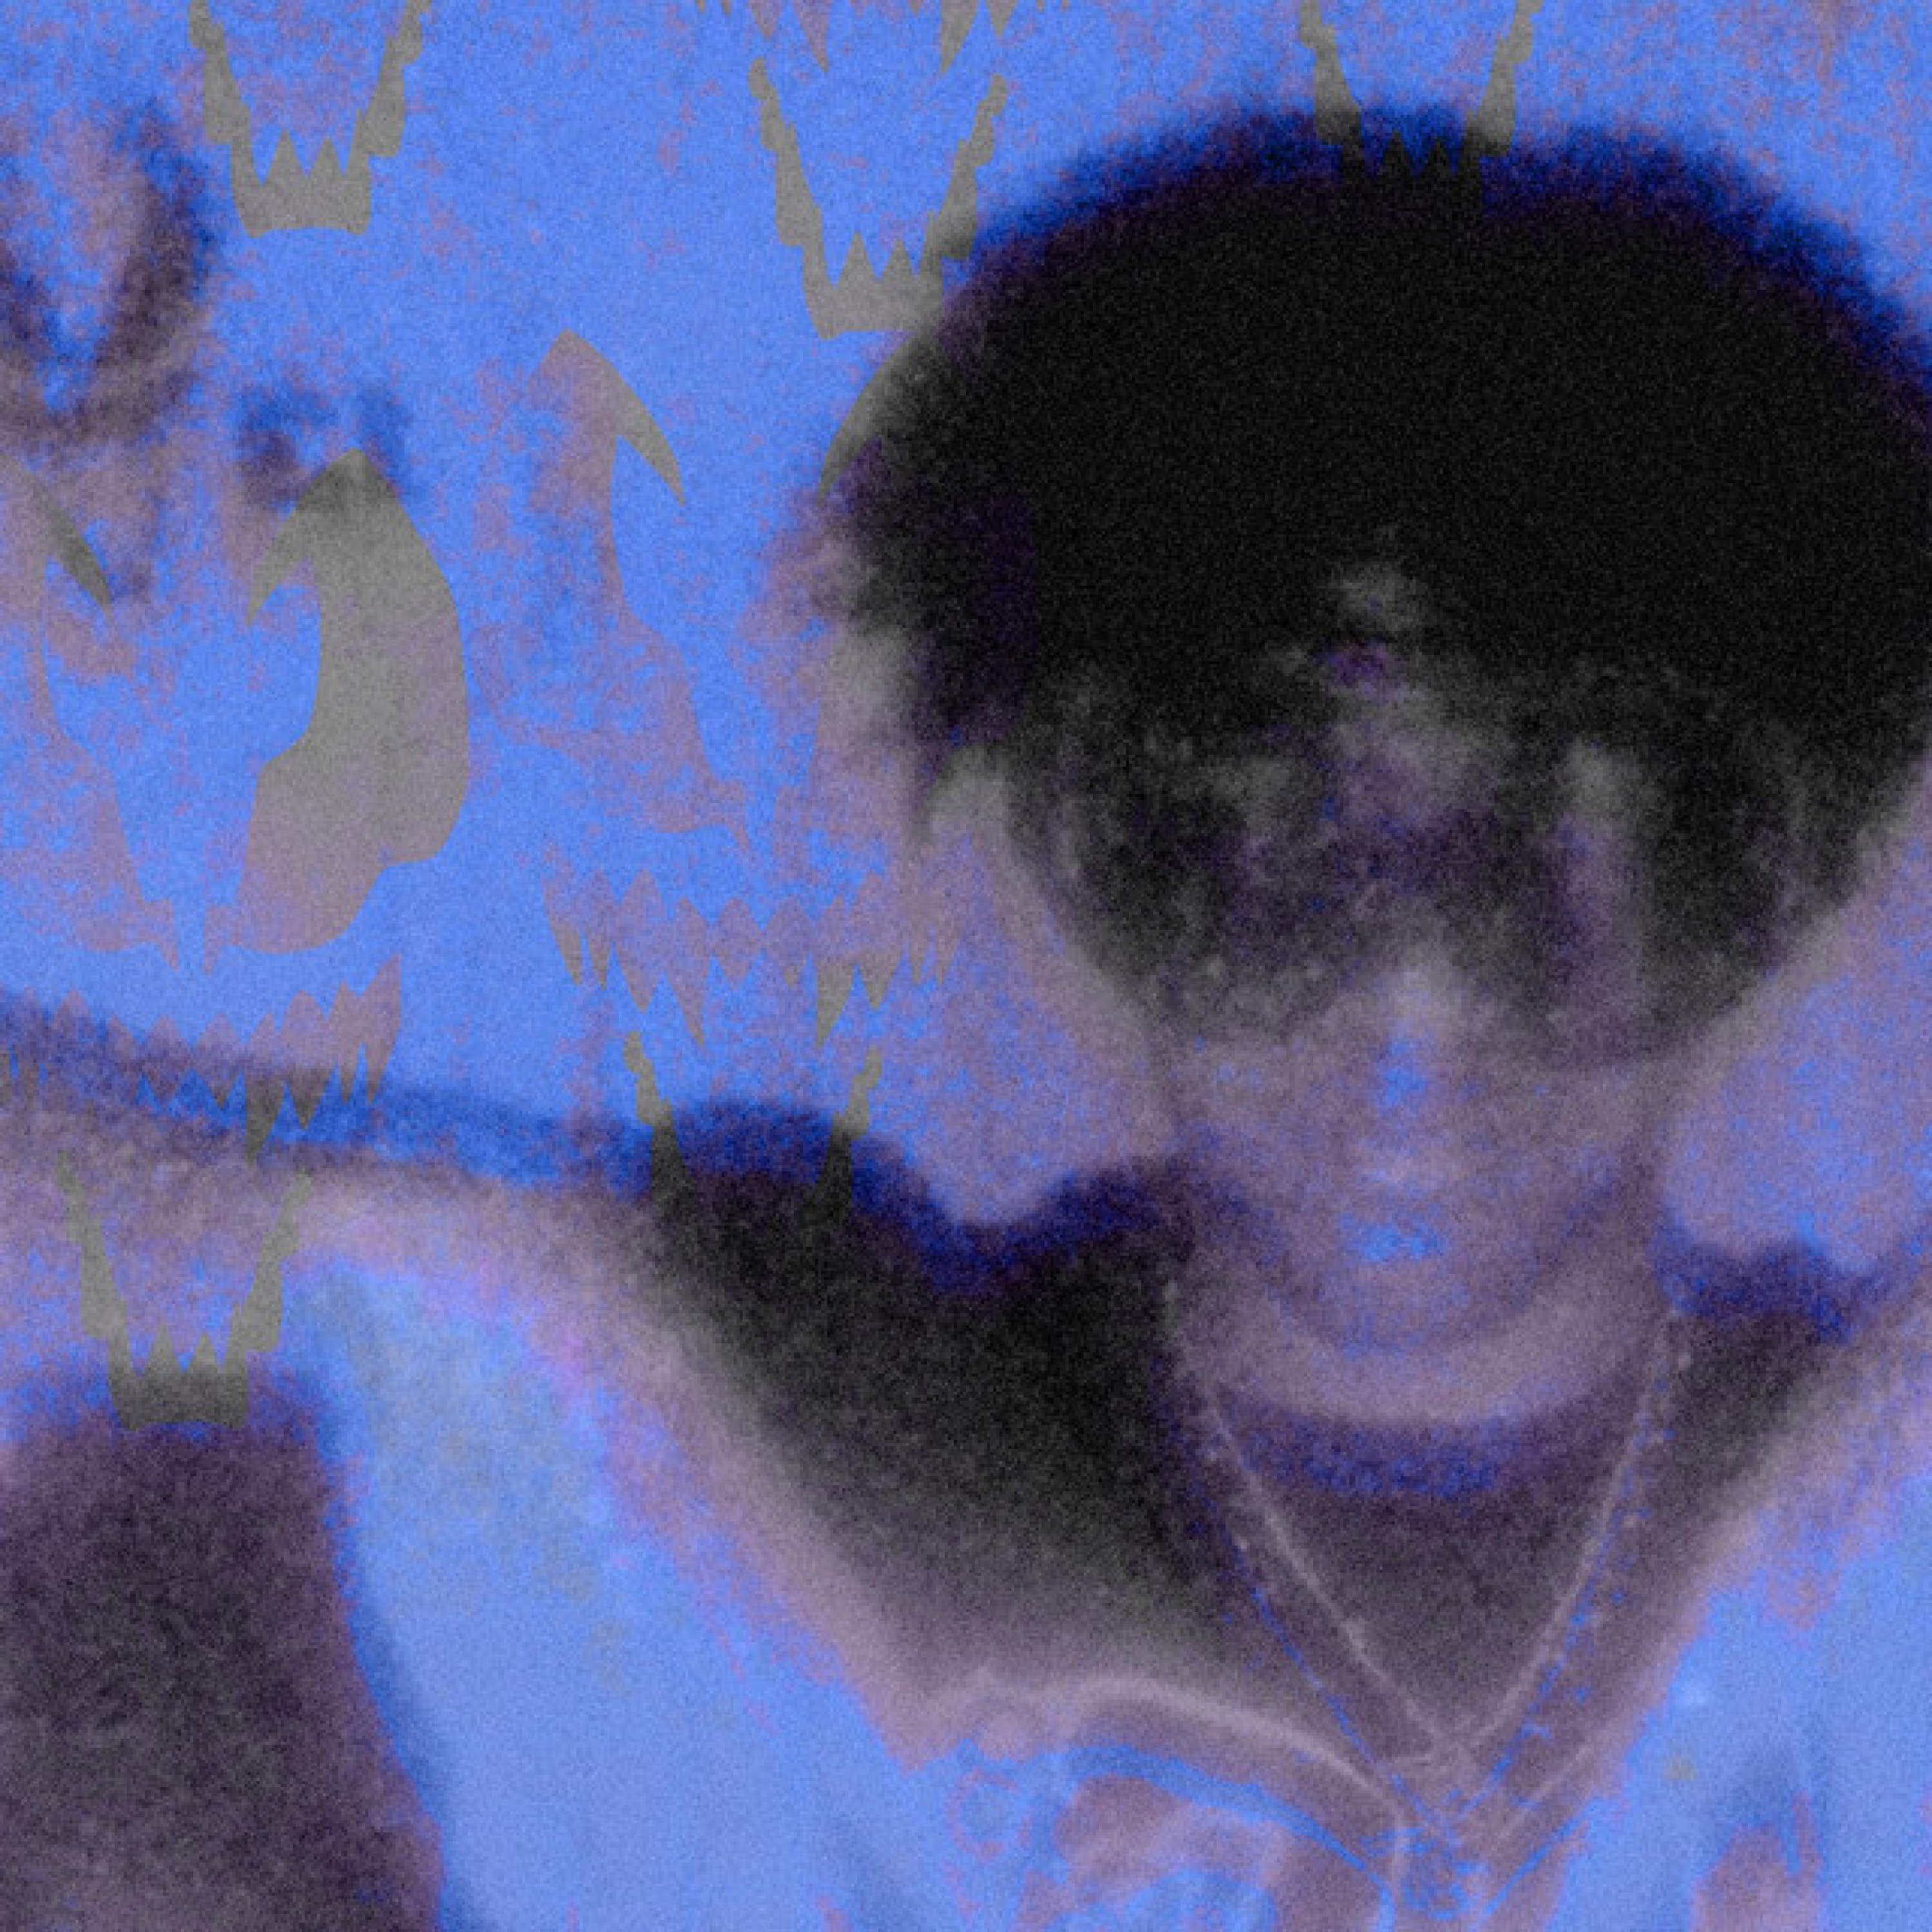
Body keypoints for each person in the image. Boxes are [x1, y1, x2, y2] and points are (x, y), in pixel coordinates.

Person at [639, 106, 1932, 1925]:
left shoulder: (1880, 1503)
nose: (1414, 1027)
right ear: (1077, 842)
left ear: (1775, 882)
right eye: (1261, 855)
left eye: (1564, 873)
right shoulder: (826, 1403)